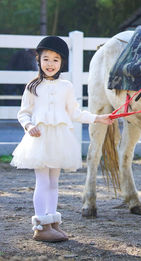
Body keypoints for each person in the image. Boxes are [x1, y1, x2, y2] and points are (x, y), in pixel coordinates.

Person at [11, 36, 113, 243]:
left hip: (59, 140)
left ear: (62, 63)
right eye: (46, 59)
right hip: (39, 139)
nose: (50, 64)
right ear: (38, 60)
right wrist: (29, 126)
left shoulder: (66, 86)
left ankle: (52, 221)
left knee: (54, 182)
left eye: (55, 60)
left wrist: (98, 118)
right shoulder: (32, 86)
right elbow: (23, 113)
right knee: (42, 181)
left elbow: (75, 113)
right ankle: (40, 225)